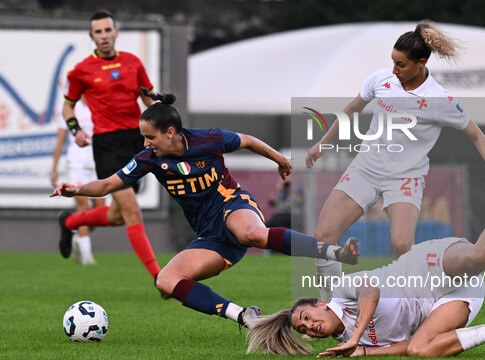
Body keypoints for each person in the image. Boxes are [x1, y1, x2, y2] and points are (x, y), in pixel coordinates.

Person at [51, 91, 360, 329]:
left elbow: (248, 140)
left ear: (170, 132)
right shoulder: (148, 158)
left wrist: (279, 159)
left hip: (232, 205)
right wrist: (77, 189)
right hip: (209, 235)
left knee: (251, 233)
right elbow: (107, 185)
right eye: (143, 136)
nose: (145, 142)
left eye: (150, 136)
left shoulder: (208, 139)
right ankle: (244, 316)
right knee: (166, 281)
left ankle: (334, 252)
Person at [246, 166, 485, 357]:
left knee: (478, 256)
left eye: (306, 316)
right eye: (305, 329)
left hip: (424, 268)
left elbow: (370, 289)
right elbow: (404, 346)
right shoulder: (346, 343)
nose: (311, 327)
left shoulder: (339, 293)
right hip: (444, 302)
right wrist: (363, 352)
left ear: (318, 304)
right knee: (420, 349)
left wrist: (359, 336)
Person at [306, 20, 485, 302]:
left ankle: (420, 306)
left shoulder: (440, 100)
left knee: (402, 245)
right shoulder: (381, 79)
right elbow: (351, 109)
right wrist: (321, 143)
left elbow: (476, 135)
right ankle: (330, 307)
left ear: (421, 63)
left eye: (401, 64)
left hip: (405, 176)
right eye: (393, 62)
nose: (394, 70)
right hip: (365, 168)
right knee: (323, 236)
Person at [58, 11, 162, 284]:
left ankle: (69, 222)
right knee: (132, 211)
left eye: (108, 30)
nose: (104, 36)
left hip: (135, 141)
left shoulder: (133, 63)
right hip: (106, 144)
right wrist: (75, 130)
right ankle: (159, 277)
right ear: (92, 37)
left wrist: (164, 117)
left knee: (118, 216)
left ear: (116, 32)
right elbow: (68, 104)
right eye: (98, 32)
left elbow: (149, 100)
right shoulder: (82, 70)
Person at [50, 96, 105, 265]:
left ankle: (76, 236)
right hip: (77, 163)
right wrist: (54, 168)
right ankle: (87, 256)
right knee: (83, 208)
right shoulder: (70, 109)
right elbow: (60, 140)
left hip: (97, 164)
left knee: (100, 212)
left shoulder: (100, 107)